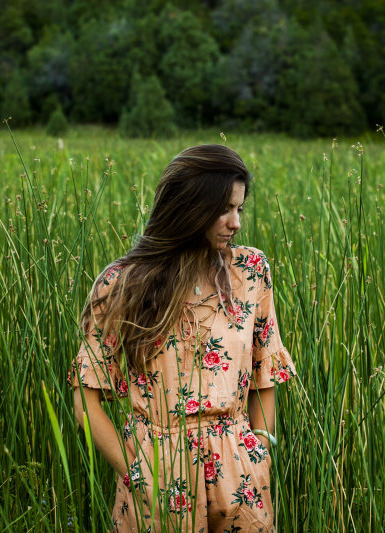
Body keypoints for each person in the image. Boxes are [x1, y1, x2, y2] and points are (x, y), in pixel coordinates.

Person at [68, 144, 296, 532]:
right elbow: (85, 400)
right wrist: (138, 474)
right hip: (159, 468)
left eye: (239, 209)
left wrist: (260, 449)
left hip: (239, 468)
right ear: (189, 208)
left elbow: (265, 370)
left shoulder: (251, 272)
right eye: (224, 209)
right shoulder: (123, 283)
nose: (236, 222)